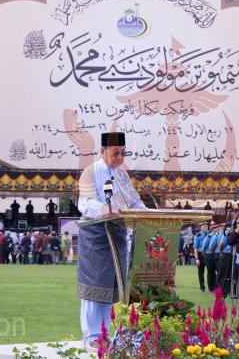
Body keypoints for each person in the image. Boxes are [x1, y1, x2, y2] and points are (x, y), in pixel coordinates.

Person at [76, 131, 146, 349]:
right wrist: (106, 209)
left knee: (114, 286)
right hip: (96, 236)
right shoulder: (90, 172)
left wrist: (148, 214)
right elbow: (85, 203)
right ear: (102, 151)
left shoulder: (122, 174)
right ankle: (91, 336)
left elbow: (134, 202)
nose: (120, 157)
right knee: (94, 285)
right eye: (116, 153)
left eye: (123, 153)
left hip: (117, 235)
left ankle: (106, 334)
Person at [193, 222, 209, 292]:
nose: (206, 228)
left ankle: (211, 287)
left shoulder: (210, 234)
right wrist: (196, 258)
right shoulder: (198, 236)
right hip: (200, 255)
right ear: (201, 228)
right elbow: (195, 248)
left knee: (211, 271)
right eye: (204, 226)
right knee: (201, 272)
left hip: (208, 254)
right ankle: (202, 288)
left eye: (206, 226)